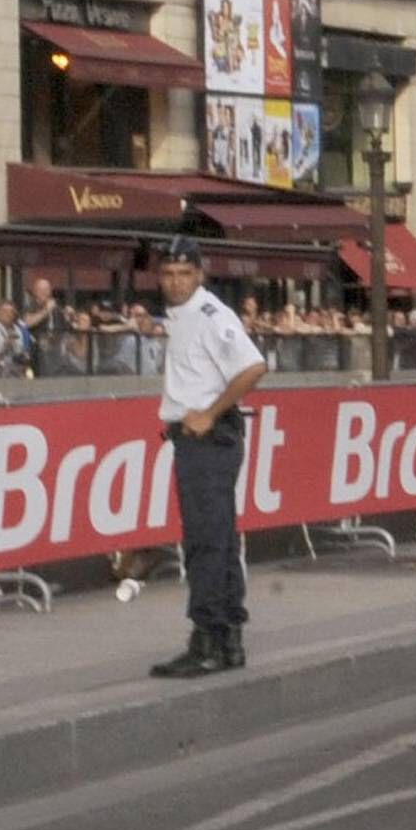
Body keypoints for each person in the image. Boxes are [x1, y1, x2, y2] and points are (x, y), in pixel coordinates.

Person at [146, 246, 265, 679]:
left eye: (184, 272)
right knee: (220, 537)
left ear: (200, 274)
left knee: (204, 541)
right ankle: (229, 635)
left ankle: (207, 639)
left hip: (207, 438)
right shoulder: (185, 316)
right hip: (202, 436)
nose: (176, 280)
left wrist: (209, 413)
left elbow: (253, 367)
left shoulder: (210, 314)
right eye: (169, 273)